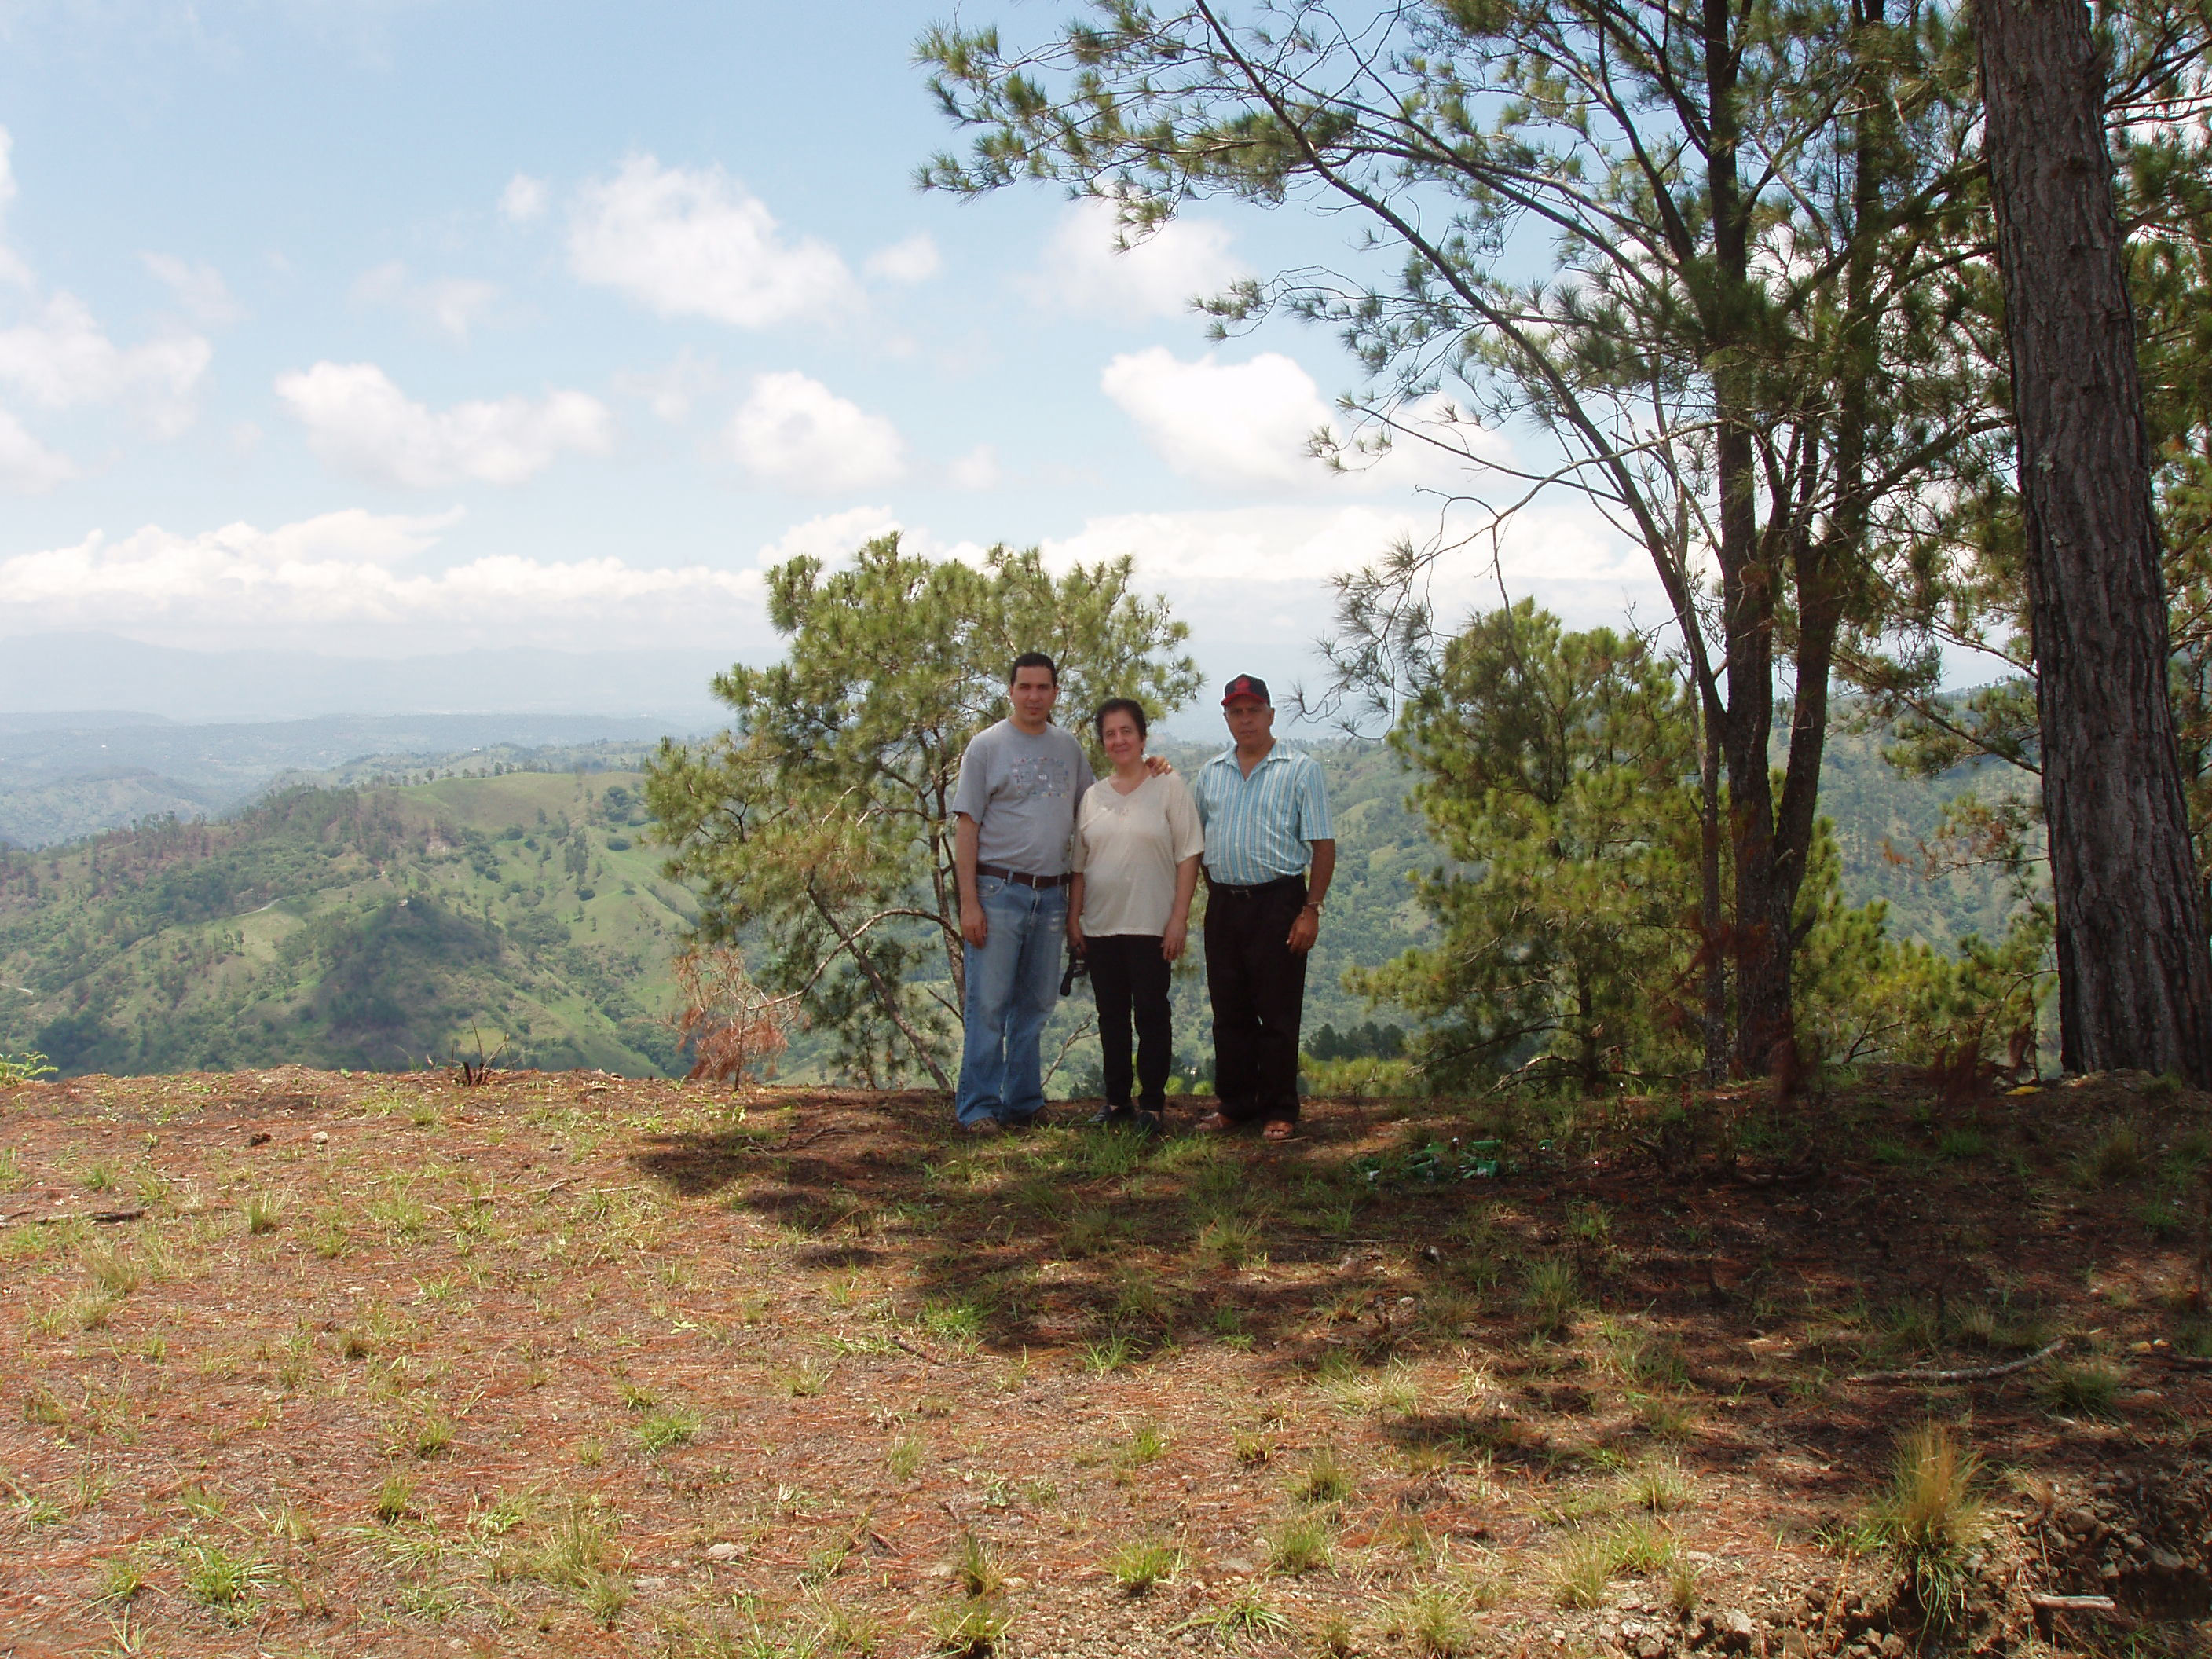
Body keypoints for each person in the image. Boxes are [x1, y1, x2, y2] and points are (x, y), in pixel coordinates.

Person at [1188, 673, 1335, 1141]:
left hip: (1279, 902)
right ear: (1226, 718)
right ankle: (1235, 1104)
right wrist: (1217, 892)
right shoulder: (1211, 773)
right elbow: (1197, 842)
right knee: (1229, 1011)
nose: (1245, 720)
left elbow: (1323, 845)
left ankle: (1278, 1108)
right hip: (1224, 904)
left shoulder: (1301, 770)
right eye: (1236, 712)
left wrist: (1311, 909)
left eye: (1253, 711)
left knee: (1277, 1012)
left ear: (1270, 714)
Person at [951, 652, 1090, 1133]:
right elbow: (966, 826)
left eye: (1043, 687)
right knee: (989, 1005)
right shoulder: (986, 747)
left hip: (1051, 895)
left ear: (1055, 692)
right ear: (1010, 690)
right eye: (1025, 687)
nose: (1034, 696)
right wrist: (969, 902)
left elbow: (1094, 807)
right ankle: (978, 1107)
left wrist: (1149, 769)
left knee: (1035, 1007)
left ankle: (1024, 1102)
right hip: (998, 891)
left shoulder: (1068, 748)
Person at [1068, 698, 1203, 1133]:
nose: (1119, 740)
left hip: (1151, 924)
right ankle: (1116, 1100)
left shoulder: (1167, 785)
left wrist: (1179, 919)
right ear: (1102, 742)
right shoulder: (1092, 797)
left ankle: (1153, 1104)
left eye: (1127, 731)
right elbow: (1079, 867)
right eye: (1110, 733)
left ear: (1143, 736)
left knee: (1151, 1015)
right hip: (1101, 925)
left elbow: (1189, 854)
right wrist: (1074, 919)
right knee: (1111, 1017)